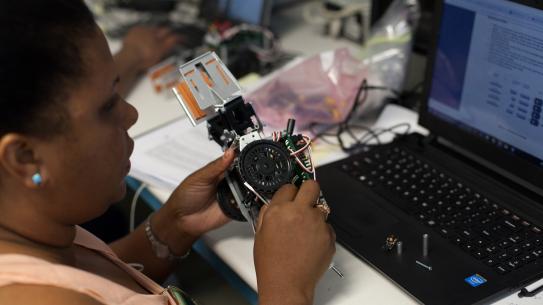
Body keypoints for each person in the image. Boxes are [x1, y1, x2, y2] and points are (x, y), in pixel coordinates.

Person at [0, 1, 336, 305]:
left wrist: (175, 225)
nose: (130, 114)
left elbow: (97, 282)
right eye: (106, 107)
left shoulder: (33, 234)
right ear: (25, 158)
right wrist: (287, 288)